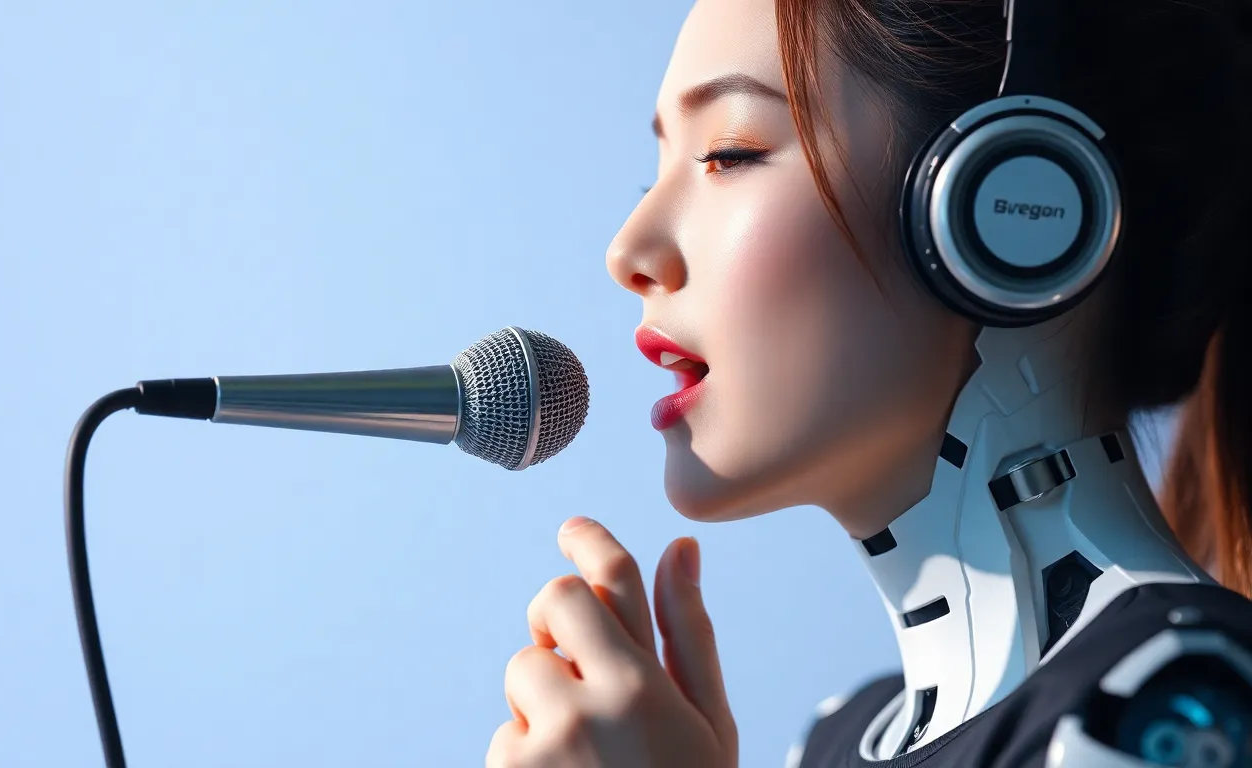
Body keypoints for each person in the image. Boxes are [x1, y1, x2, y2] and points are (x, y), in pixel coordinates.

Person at [485, 0, 1251, 765]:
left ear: (1017, 202)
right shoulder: (837, 739)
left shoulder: (1180, 705)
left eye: (729, 153)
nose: (628, 250)